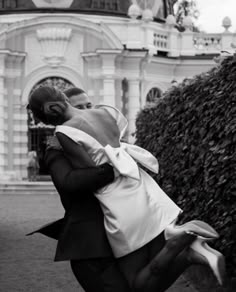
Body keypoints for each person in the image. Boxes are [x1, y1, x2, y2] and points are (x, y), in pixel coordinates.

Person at [28, 86, 225, 292]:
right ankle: (179, 241)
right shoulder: (106, 111)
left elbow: (90, 172)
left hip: (118, 201)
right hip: (142, 187)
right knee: (147, 278)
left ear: (52, 109)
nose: (51, 124)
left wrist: (101, 161)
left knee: (136, 282)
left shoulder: (64, 132)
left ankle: (176, 242)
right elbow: (117, 144)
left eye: (47, 120)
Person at [27, 87, 131, 292]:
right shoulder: (56, 145)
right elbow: (70, 182)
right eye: (79, 107)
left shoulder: (111, 134)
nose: (85, 112)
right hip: (91, 244)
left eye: (88, 106)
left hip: (122, 234)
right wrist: (117, 168)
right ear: (60, 109)